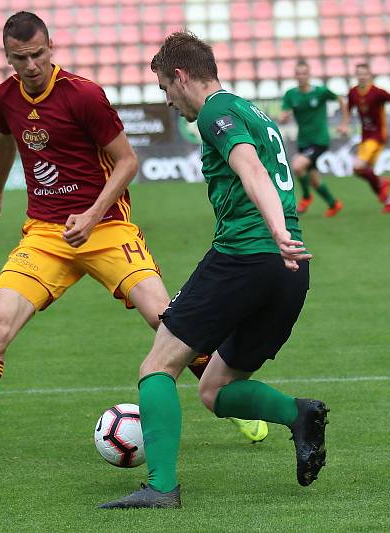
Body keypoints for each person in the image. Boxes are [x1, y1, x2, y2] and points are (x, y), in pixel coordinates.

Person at [0, 12, 265, 471]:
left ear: (51, 47)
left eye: (38, 54)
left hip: (108, 229)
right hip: (45, 235)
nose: (31, 65)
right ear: (7, 57)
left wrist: (93, 214)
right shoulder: (5, 97)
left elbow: (127, 162)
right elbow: (4, 139)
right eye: (20, 58)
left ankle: (231, 403)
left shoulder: (84, 95)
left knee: (167, 322)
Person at [99, 32, 329, 509]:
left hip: (244, 257)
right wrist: (285, 236)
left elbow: (251, 170)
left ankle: (161, 488)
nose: (167, 100)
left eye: (165, 88)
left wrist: (273, 231)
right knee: (215, 390)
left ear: (181, 76)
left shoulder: (212, 113)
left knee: (156, 367)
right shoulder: (253, 111)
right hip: (288, 271)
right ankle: (298, 414)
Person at [279, 60, 348, 217]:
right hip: (303, 141)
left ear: (309, 75)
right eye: (298, 73)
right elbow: (284, 114)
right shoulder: (291, 94)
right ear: (295, 76)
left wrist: (344, 123)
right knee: (314, 179)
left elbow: (341, 101)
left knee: (297, 166)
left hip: (320, 140)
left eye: (304, 73)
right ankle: (333, 203)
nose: (301, 76)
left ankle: (306, 197)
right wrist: (284, 118)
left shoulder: (321, 92)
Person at [345, 63, 390, 214]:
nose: (361, 76)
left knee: (358, 167)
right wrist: (344, 124)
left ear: (369, 75)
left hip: (377, 136)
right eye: (359, 73)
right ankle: (388, 202)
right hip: (365, 137)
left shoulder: (377, 92)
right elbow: (347, 107)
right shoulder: (353, 92)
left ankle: (382, 182)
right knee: (363, 171)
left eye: (364, 74)